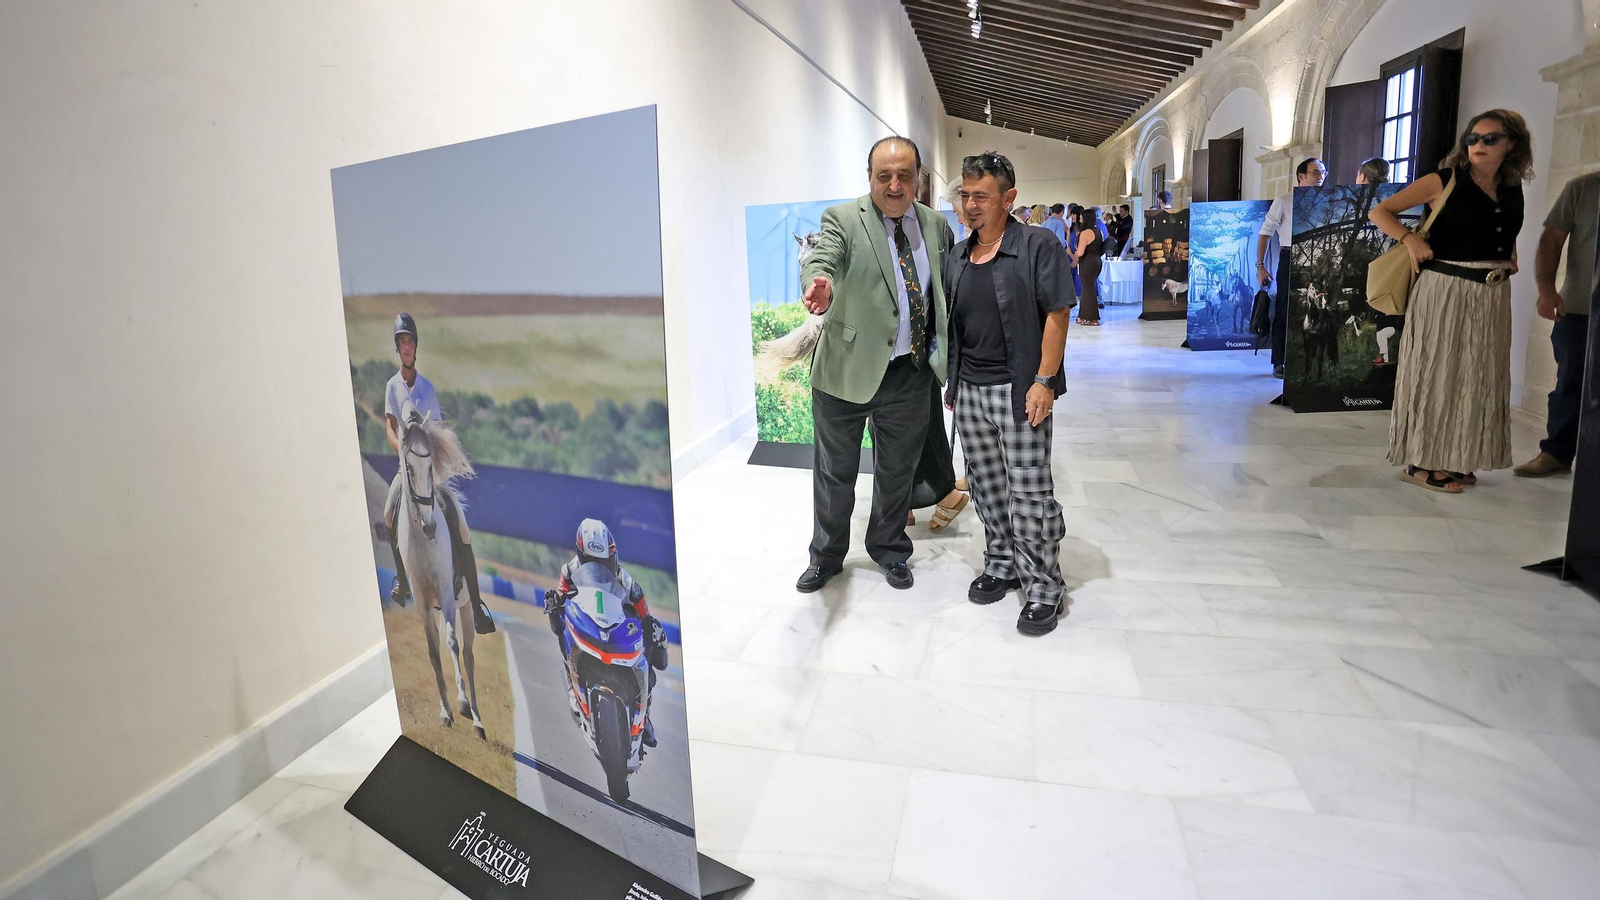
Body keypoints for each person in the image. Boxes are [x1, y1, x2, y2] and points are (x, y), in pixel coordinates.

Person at [796, 136, 956, 592]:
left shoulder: (934, 226)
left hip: (909, 372)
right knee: (834, 472)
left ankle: (889, 549)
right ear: (869, 177)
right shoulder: (843, 219)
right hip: (845, 372)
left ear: (919, 179)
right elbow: (822, 258)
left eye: (904, 175)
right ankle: (826, 556)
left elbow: (942, 294)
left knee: (896, 473)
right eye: (883, 175)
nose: (893, 184)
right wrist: (820, 282)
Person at [945, 151, 1074, 635]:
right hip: (971, 391)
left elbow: (1058, 315)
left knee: (1029, 491)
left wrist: (1044, 381)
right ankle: (1001, 562)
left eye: (982, 196)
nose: (971, 205)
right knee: (986, 487)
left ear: (1009, 198)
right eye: (965, 195)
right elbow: (956, 328)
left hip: (1020, 388)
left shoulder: (1038, 245)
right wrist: (954, 383)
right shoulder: (958, 255)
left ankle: (1043, 585)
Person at [1371, 109, 1531, 493]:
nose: (1478, 145)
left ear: (1512, 144)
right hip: (1445, 288)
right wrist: (1410, 239)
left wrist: (1509, 253)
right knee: (1437, 372)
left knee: (1479, 374)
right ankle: (1422, 461)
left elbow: (1503, 226)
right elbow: (1382, 211)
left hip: (1492, 293)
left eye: (1489, 139)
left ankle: (1458, 455)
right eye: (1473, 138)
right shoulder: (1444, 180)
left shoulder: (1511, 186)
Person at [383, 313, 495, 634]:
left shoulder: (427, 387)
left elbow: (434, 432)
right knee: (389, 512)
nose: (406, 347)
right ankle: (402, 580)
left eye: (409, 342)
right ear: (397, 349)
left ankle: (476, 602)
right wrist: (403, 448)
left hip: (429, 473)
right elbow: (391, 428)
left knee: (461, 526)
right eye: (401, 343)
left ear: (415, 347)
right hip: (405, 471)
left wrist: (424, 457)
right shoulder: (392, 387)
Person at [544, 519, 669, 747]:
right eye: (592, 561)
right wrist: (554, 604)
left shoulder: (625, 578)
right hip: (587, 623)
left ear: (613, 556)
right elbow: (560, 599)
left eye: (604, 561)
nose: (600, 566)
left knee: (649, 642)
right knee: (560, 624)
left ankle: (645, 714)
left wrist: (650, 625)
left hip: (616, 628)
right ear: (581, 556)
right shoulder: (569, 571)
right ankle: (574, 687)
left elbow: (644, 611)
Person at [1515, 168, 1597, 477]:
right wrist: (1546, 290)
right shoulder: (1583, 188)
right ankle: (1556, 453)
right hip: (1580, 307)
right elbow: (1551, 241)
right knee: (1570, 384)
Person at [1258, 158, 1329, 378]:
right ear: (1301, 177)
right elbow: (1265, 233)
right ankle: (1279, 360)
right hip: (1290, 257)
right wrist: (1260, 266)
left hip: (1319, 259)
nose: (1321, 177)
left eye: (1323, 172)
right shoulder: (1284, 201)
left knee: (1321, 308)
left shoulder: (1328, 201)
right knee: (1284, 309)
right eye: (1316, 172)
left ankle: (1317, 358)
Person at [1074, 207, 1106, 326]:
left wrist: (1075, 252)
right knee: (1090, 289)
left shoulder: (1085, 233)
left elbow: (1080, 252)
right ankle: (1084, 316)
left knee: (1087, 290)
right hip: (1096, 261)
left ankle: (1090, 317)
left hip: (1087, 262)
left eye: (1081, 217)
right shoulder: (1098, 230)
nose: (1080, 218)